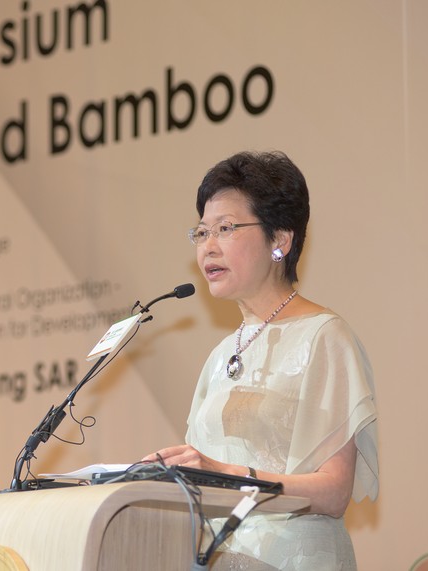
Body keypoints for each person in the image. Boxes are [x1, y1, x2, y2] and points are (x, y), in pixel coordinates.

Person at [143, 151, 378, 570]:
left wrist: (224, 473)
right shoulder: (219, 356)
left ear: (280, 241)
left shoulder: (324, 336)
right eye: (201, 232)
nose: (208, 247)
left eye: (226, 228)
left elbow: (334, 491)